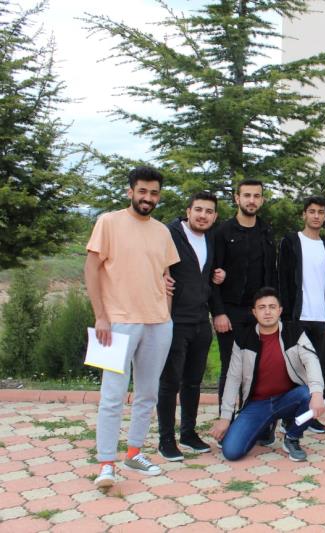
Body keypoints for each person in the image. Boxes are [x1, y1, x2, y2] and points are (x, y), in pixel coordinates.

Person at [84, 166, 180, 488]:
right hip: (117, 323)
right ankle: (106, 464)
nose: (148, 198)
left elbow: (166, 277)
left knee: (147, 393)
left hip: (158, 324)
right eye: (142, 191)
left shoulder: (162, 232)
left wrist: (166, 316)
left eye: (153, 193)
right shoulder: (108, 222)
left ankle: (135, 452)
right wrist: (100, 315)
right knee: (112, 396)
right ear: (130, 192)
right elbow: (91, 269)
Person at [209, 287, 325, 462]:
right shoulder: (243, 338)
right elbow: (233, 379)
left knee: (307, 393)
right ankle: (266, 427)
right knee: (231, 451)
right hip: (257, 404)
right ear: (254, 312)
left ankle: (292, 437)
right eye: (262, 307)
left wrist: (317, 393)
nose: (267, 312)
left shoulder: (293, 332)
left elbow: (312, 360)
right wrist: (225, 418)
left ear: (280, 310)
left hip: (287, 399)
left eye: (272, 307)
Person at [156, 191, 222, 461]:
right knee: (169, 382)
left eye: (209, 211)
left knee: (193, 382)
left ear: (214, 216)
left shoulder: (212, 238)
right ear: (188, 211)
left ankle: (188, 433)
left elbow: (210, 271)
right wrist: (159, 277)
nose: (203, 215)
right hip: (174, 320)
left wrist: (219, 274)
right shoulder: (169, 234)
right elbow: (150, 262)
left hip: (200, 320)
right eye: (198, 210)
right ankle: (166, 439)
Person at [211, 179, 278, 408]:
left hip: (260, 313)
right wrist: (218, 312)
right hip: (230, 313)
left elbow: (271, 273)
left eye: (256, 196)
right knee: (231, 369)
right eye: (247, 195)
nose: (252, 200)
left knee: (259, 368)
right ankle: (227, 421)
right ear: (237, 198)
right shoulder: (222, 232)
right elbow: (213, 276)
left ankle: (254, 420)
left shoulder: (267, 231)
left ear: (262, 200)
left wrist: (273, 310)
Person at [277, 195, 325, 435]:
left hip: (320, 318)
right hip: (296, 316)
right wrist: (284, 315)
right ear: (304, 214)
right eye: (312, 211)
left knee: (315, 370)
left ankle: (310, 417)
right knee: (293, 370)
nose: (316, 216)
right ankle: (288, 418)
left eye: (320, 212)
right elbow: (282, 279)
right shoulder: (291, 241)